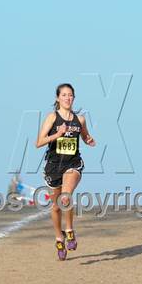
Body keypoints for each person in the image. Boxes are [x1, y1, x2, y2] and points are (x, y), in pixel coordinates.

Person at [35, 83, 96, 261]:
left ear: (73, 98)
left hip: (73, 164)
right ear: (58, 98)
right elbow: (39, 142)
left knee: (66, 197)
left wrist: (89, 140)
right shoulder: (52, 118)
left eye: (70, 95)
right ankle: (59, 239)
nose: (68, 98)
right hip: (53, 166)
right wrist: (57, 134)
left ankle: (69, 230)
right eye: (64, 95)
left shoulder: (80, 120)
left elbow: (85, 137)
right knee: (56, 207)